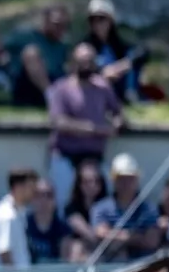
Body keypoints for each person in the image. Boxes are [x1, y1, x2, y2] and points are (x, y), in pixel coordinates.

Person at [46, 41, 126, 202]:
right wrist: (94, 130)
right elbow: (59, 122)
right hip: (66, 156)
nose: (86, 65)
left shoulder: (103, 87)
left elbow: (118, 111)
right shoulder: (61, 88)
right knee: (64, 201)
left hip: (95, 158)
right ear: (73, 62)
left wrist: (118, 122)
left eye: (90, 61)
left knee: (105, 200)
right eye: (82, 61)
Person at [89, 153, 163, 260]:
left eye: (130, 179)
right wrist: (135, 237)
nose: (126, 183)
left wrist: (117, 236)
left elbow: (152, 241)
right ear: (114, 180)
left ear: (137, 180)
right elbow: (101, 234)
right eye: (121, 179)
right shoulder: (101, 208)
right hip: (110, 268)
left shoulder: (148, 208)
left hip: (142, 267)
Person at [80, 0, 140, 102]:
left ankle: (130, 94)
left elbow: (142, 52)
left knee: (132, 57)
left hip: (119, 84)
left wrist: (122, 65)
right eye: (93, 20)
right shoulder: (86, 44)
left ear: (110, 21)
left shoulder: (117, 43)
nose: (97, 24)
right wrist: (102, 73)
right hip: (96, 88)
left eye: (102, 19)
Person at [0, 167, 37, 268]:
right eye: (31, 187)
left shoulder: (17, 212)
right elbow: (4, 252)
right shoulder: (7, 215)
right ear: (18, 187)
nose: (34, 191)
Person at [63, 157, 110, 261]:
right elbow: (88, 233)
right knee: (76, 247)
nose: (92, 185)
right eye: (87, 181)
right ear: (79, 184)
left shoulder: (110, 206)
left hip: (105, 249)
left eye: (96, 181)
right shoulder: (72, 208)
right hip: (84, 249)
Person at [27, 179, 72, 262]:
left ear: (54, 200)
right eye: (38, 195)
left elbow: (64, 260)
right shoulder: (24, 225)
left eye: (48, 195)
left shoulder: (63, 228)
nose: (43, 200)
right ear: (32, 199)